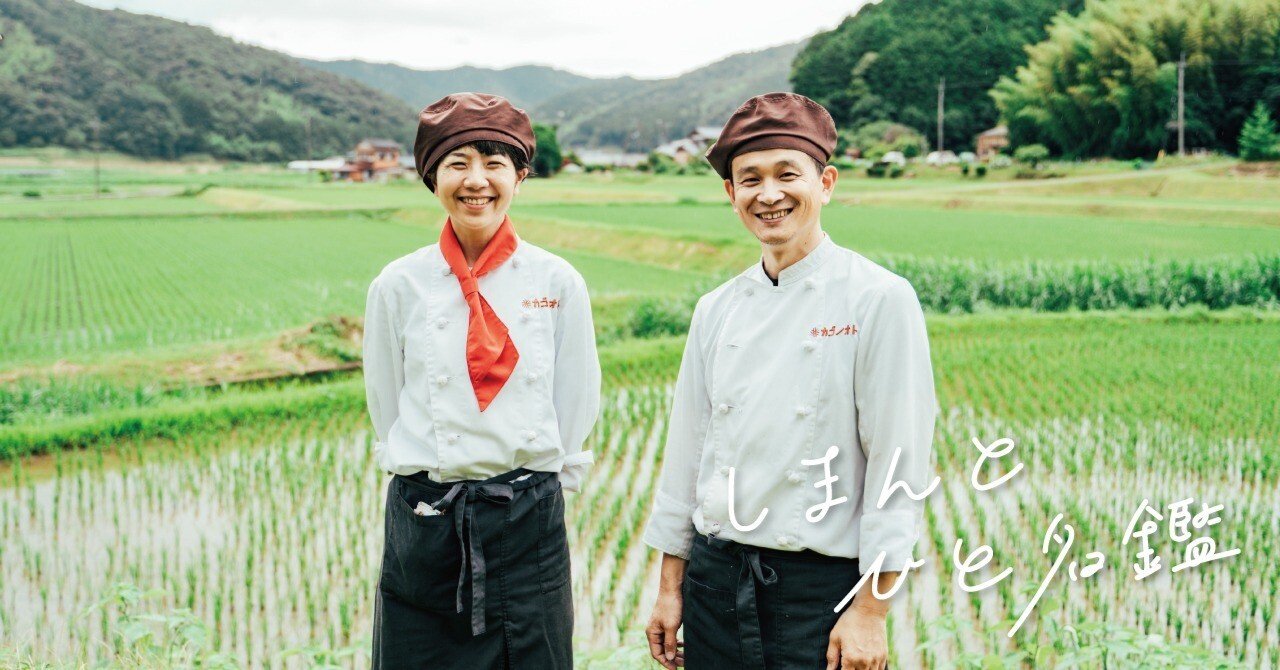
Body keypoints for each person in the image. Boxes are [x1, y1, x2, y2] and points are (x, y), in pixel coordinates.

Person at [642, 92, 938, 670]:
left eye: (787, 174)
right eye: (749, 179)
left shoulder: (878, 298)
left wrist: (871, 612)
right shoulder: (716, 308)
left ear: (825, 183)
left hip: (818, 596)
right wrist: (669, 588)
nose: (769, 194)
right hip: (714, 586)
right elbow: (687, 456)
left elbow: (898, 467)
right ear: (731, 194)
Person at [362, 92, 601, 670]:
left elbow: (575, 402)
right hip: (426, 523)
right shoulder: (399, 285)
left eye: (495, 163)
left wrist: (532, 491)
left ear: (520, 175)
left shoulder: (557, 281)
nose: (477, 180)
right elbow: (387, 405)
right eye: (458, 163)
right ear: (433, 177)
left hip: (528, 522)